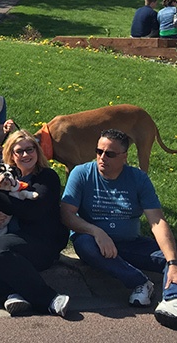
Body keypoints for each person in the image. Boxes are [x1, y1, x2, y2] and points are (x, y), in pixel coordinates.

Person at [60, 129, 177, 329]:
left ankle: (172, 300)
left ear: (124, 157)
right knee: (84, 244)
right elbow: (66, 214)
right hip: (96, 244)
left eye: (110, 154)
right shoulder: (81, 173)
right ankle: (141, 282)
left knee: (172, 254)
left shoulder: (138, 178)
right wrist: (97, 231)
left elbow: (157, 222)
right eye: (98, 151)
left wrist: (172, 261)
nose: (102, 157)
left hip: (131, 243)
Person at [0, 130, 71, 317]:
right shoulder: (1, 175)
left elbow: (33, 212)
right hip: (5, 233)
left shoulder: (46, 177)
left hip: (40, 242)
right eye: (19, 151)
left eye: (30, 149)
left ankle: (49, 299)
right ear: (10, 155)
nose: (25, 155)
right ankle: (9, 295)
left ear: (37, 151)